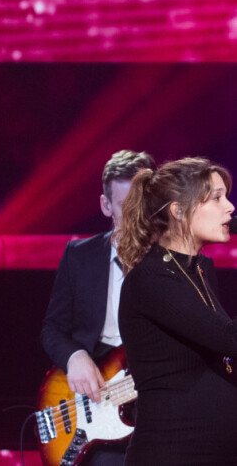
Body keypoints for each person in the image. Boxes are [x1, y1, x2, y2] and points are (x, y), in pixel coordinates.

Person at [116, 157, 237, 465]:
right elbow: (229, 339)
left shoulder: (200, 269)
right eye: (216, 198)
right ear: (179, 210)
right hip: (172, 451)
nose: (230, 207)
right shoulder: (151, 279)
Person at [40, 150, 155, 466]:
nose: (137, 217)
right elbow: (52, 329)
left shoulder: (177, 261)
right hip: (95, 403)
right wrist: (75, 358)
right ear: (106, 205)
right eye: (125, 207)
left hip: (157, 405)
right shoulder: (79, 255)